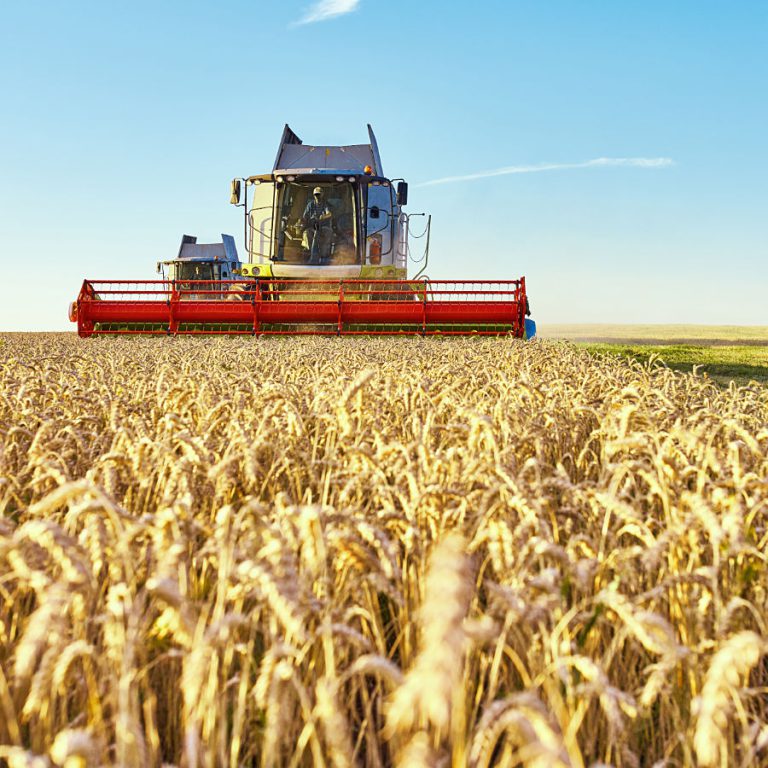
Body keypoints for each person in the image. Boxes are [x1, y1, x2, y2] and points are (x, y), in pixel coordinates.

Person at [300, 187, 333, 265]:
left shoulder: (325, 204)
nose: (317, 196)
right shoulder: (310, 204)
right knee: (307, 233)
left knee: (328, 232)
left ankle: (324, 255)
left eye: (319, 194)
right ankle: (312, 253)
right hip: (312, 227)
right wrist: (301, 221)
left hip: (323, 226)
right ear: (313, 195)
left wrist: (323, 217)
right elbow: (305, 216)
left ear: (322, 194)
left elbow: (329, 213)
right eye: (316, 195)